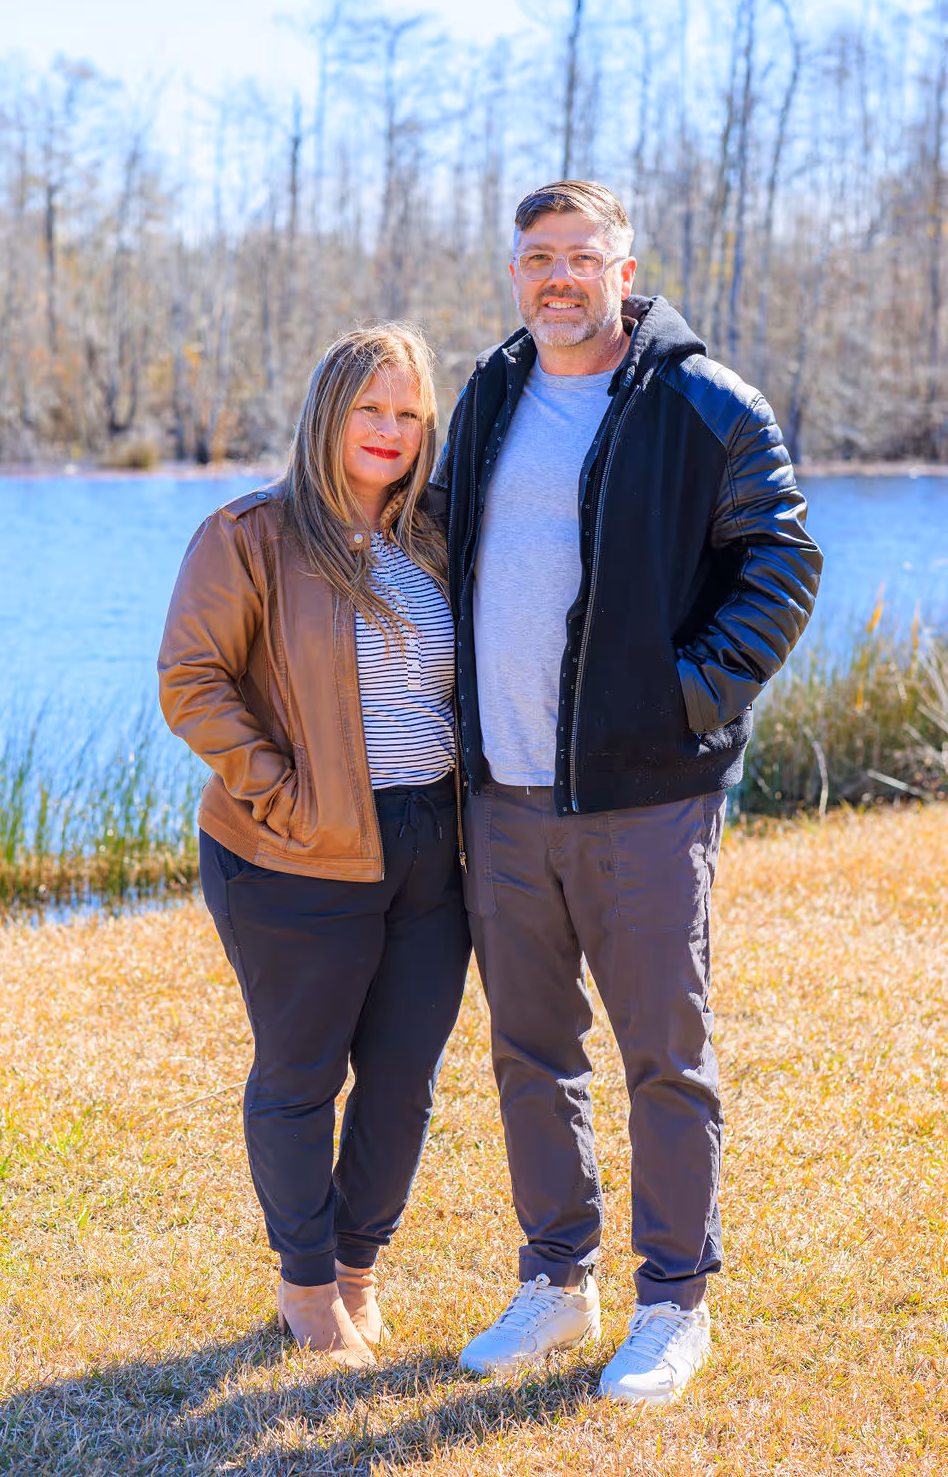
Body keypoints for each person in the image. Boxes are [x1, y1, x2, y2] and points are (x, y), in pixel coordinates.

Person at [436, 181, 822, 1403]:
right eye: (535, 258)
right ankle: (558, 1282)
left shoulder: (703, 402)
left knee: (665, 1055)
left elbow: (784, 558)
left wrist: (687, 698)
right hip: (502, 791)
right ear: (514, 273)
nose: (556, 277)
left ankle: (673, 1303)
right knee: (529, 1050)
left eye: (579, 257)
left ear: (623, 264)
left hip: (645, 796)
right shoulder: (491, 393)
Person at [158, 324, 470, 1371]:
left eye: (408, 413)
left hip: (431, 844)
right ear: (328, 416)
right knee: (301, 1075)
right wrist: (281, 792)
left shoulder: (436, 541)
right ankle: (304, 1288)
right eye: (369, 409)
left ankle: (356, 1269)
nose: (388, 431)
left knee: (401, 1077)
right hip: (295, 851)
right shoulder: (250, 535)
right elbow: (191, 681)